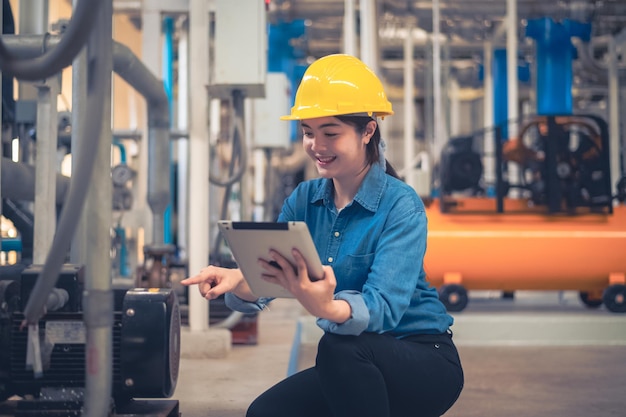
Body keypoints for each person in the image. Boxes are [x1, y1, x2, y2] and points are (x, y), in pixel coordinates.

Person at [181, 54, 464, 417]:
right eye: (308, 132)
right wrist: (238, 278)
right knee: (265, 412)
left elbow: (383, 308)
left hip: (424, 361)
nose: (317, 145)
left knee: (339, 346)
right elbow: (271, 281)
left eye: (330, 133)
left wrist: (328, 308)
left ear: (367, 131)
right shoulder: (305, 199)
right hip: (354, 363)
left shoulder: (401, 205)